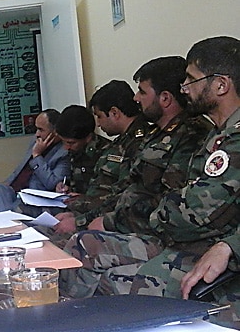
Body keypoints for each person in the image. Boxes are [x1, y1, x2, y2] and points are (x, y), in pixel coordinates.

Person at [59, 56, 213, 299]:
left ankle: (68, 315)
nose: (135, 98)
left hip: (160, 234)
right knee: (69, 241)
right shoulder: (155, 136)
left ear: (165, 98)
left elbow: (165, 202)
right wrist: (89, 217)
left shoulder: (191, 136)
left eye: (142, 91)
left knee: (84, 245)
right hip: (134, 225)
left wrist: (109, 222)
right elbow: (125, 191)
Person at [126, 37, 240, 323]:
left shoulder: (234, 140)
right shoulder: (218, 134)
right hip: (210, 244)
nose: (184, 89)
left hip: (217, 248)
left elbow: (198, 212)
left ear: (220, 85)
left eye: (191, 80)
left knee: (147, 287)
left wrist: (229, 246)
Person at [53, 80, 151, 236]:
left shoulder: (140, 143)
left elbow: (123, 196)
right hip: (96, 214)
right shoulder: (121, 142)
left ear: (114, 113)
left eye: (99, 116)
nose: (97, 124)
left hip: (117, 223)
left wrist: (80, 217)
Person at [0, 109, 70, 214]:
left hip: (35, 199)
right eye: (36, 129)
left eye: (41, 130)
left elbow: (52, 183)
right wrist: (8, 182)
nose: (37, 134)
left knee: (8, 211)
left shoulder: (64, 152)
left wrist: (37, 156)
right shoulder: (36, 141)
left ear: (55, 132)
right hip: (16, 191)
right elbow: (22, 168)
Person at [54, 105, 111, 195]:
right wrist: (67, 189)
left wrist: (80, 199)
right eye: (63, 142)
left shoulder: (108, 153)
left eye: (71, 143)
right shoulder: (75, 151)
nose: (66, 147)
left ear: (88, 138)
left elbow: (106, 196)